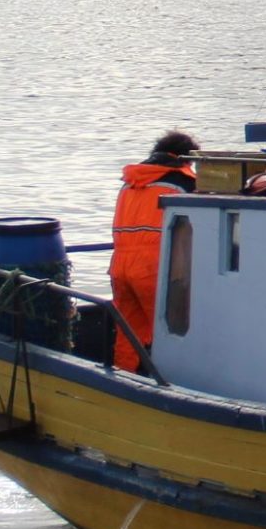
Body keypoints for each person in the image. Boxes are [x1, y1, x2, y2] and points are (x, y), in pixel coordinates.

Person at [108, 130, 198, 371]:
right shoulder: (183, 183)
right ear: (187, 159)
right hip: (154, 269)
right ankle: (170, 383)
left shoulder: (130, 182)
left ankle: (124, 378)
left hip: (120, 266)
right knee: (168, 331)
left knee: (127, 330)